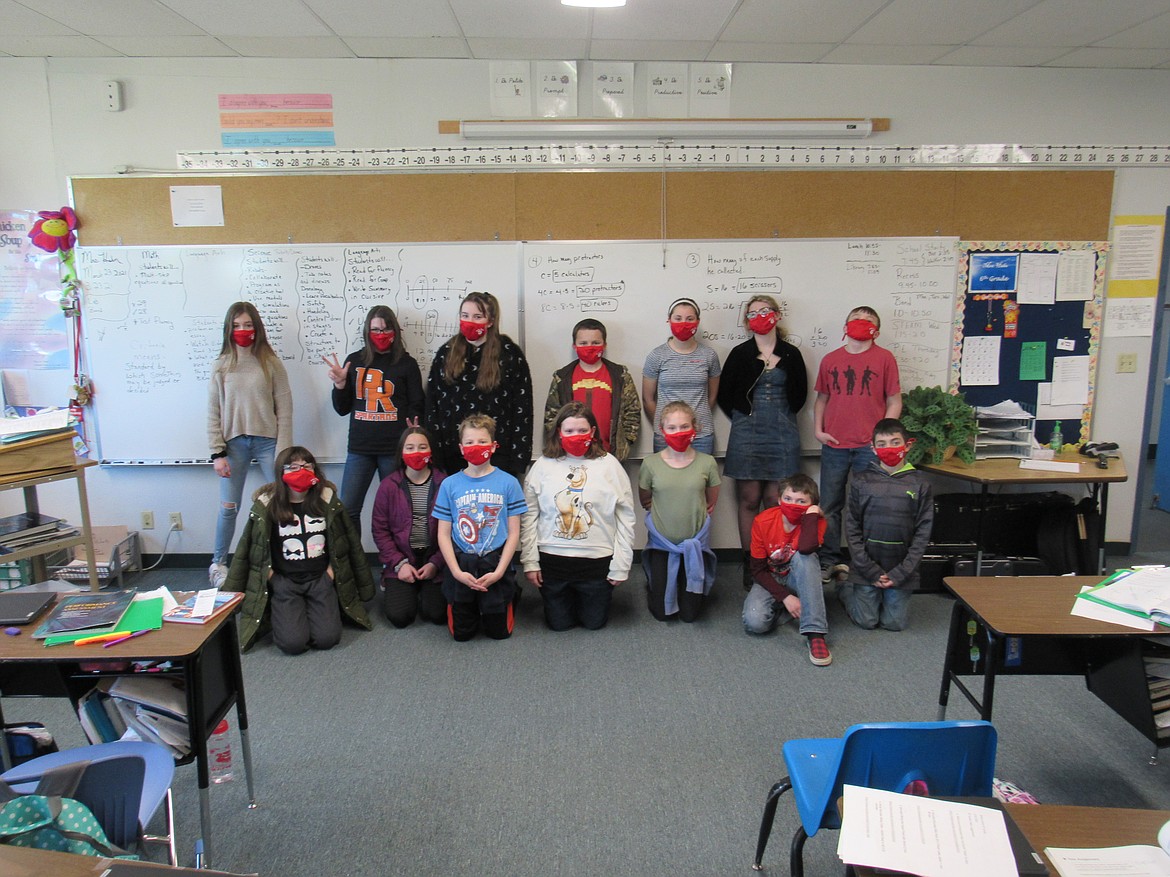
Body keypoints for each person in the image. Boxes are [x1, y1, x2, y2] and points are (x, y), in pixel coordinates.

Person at [222, 445, 375, 654]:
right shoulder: (267, 507)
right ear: (281, 472)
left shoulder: (327, 503)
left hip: (320, 579)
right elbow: (248, 551)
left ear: (315, 471)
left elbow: (348, 544)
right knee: (293, 644)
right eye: (292, 467)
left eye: (306, 466)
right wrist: (272, 578)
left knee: (327, 639)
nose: (300, 471)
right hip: (284, 581)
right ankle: (292, 614)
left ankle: (312, 611)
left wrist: (331, 573)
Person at [716, 295, 808, 588]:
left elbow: (801, 396)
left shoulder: (792, 354)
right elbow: (725, 395)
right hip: (746, 434)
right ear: (746, 322)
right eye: (753, 313)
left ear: (777, 315)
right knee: (749, 499)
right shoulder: (739, 353)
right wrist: (745, 418)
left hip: (783, 432)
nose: (760, 316)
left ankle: (774, 561)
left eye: (765, 311)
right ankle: (751, 562)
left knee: (774, 501)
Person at [521, 402, 636, 631]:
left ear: (593, 432)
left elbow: (626, 518)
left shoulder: (610, 466)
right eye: (569, 431)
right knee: (558, 624)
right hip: (553, 563)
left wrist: (621, 564)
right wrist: (530, 561)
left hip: (596, 564)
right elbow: (529, 517)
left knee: (594, 623)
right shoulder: (542, 466)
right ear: (558, 433)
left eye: (582, 430)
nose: (576, 436)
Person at [208, 301, 293, 590]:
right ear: (228, 329)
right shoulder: (221, 365)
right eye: (236, 325)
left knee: (283, 501)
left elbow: (285, 408)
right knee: (229, 506)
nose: (242, 330)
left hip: (268, 443)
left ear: (256, 328)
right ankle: (218, 563)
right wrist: (217, 452)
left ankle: (289, 558)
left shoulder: (271, 363)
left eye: (247, 325)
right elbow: (213, 411)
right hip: (234, 445)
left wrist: (284, 450)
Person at [813, 305, 901, 582]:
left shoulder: (885, 358)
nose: (861, 323)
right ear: (845, 326)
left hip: (869, 447)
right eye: (855, 319)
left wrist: (883, 439)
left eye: (868, 320)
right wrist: (818, 430)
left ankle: (867, 563)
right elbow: (822, 399)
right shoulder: (830, 360)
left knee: (870, 505)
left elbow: (894, 400)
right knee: (829, 505)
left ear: (876, 329)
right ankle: (829, 561)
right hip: (835, 445)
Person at [324, 305, 424, 532]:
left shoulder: (407, 364)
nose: (381, 335)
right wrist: (340, 384)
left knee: (397, 511)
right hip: (360, 449)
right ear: (367, 332)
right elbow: (342, 409)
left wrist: (413, 435)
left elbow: (417, 403)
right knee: (348, 510)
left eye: (386, 329)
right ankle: (354, 565)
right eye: (375, 329)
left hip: (394, 449)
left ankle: (397, 563)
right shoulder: (355, 361)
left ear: (395, 332)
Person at [432, 413, 527, 641]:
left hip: (495, 562)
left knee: (499, 633)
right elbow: (443, 534)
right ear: (461, 448)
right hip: (462, 563)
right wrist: (455, 572)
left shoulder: (509, 483)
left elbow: (514, 532)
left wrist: (500, 572)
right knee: (462, 635)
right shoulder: (449, 484)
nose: (476, 447)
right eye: (470, 442)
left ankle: (509, 594)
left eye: (483, 442)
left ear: (494, 446)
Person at [426, 291, 533, 479]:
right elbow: (432, 403)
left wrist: (518, 460)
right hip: (454, 454)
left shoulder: (509, 354)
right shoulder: (447, 353)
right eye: (465, 316)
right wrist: (436, 455)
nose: (470, 321)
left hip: (498, 455)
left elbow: (522, 408)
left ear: (490, 321)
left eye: (477, 317)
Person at [840, 418, 933, 631]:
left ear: (908, 445)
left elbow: (923, 534)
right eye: (881, 444)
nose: (888, 448)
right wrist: (870, 570)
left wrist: (901, 573)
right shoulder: (861, 481)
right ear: (873, 448)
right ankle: (845, 588)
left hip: (901, 571)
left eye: (894, 442)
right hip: (866, 568)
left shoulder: (920, 485)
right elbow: (852, 527)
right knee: (867, 622)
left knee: (893, 624)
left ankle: (881, 594)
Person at [638, 400, 720, 622]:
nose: (678, 432)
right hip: (663, 545)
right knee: (662, 613)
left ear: (695, 427)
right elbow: (645, 499)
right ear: (662, 431)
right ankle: (655, 585)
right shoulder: (650, 463)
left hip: (694, 545)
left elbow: (711, 501)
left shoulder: (707, 463)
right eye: (672, 428)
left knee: (690, 615)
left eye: (684, 426)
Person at [742, 474, 831, 666]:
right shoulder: (762, 521)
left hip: (797, 576)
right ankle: (792, 606)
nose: (793, 504)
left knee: (805, 557)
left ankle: (815, 633)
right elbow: (757, 570)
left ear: (811, 505)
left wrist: (812, 516)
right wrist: (785, 597)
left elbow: (807, 548)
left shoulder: (816, 521)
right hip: (770, 576)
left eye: (801, 501)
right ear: (779, 499)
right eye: (788, 499)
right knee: (755, 623)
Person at [370, 426, 447, 628]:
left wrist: (436, 563)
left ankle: (426, 586)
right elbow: (380, 531)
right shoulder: (389, 485)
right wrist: (399, 564)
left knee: (438, 615)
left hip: (434, 560)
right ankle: (393, 580)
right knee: (400, 617)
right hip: (401, 560)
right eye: (410, 447)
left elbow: (454, 531)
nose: (417, 452)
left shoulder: (445, 484)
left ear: (431, 451)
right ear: (401, 453)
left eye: (422, 447)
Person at [543, 318, 640, 461]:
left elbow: (633, 412)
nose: (590, 347)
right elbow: (552, 417)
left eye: (596, 343)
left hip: (610, 455)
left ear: (605, 345)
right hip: (570, 456)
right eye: (583, 343)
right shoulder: (562, 378)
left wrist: (625, 442)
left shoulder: (620, 376)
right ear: (574, 346)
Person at [642, 298, 721, 455]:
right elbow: (648, 399)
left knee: (700, 479)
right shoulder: (657, 356)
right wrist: (665, 425)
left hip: (701, 435)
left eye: (689, 319)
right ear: (669, 320)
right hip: (666, 436)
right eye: (678, 318)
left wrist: (694, 421)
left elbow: (711, 397)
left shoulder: (709, 355)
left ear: (697, 322)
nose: (683, 323)